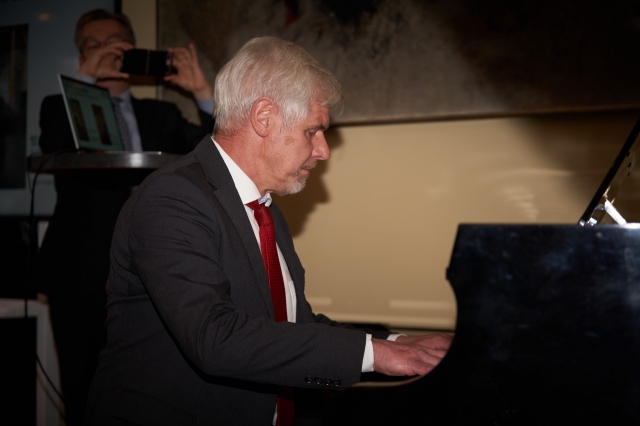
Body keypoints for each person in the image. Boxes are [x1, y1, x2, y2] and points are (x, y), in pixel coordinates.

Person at [84, 36, 452, 426]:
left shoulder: (263, 208)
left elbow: (293, 328)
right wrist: (374, 353)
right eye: (313, 131)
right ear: (264, 118)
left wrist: (394, 342)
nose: (324, 150)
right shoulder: (172, 199)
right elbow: (217, 336)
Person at [35, 9, 215, 426]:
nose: (106, 51)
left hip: (156, 270)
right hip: (81, 271)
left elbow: (217, 154)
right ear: (81, 56)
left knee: (152, 391)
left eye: (114, 42)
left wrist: (202, 91)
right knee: (83, 390)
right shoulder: (58, 107)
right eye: (92, 46)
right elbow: (55, 143)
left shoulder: (162, 115)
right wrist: (82, 80)